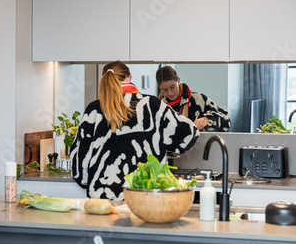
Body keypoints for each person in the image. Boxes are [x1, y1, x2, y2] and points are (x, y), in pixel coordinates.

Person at [70, 61, 199, 200]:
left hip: (104, 201)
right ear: (128, 77)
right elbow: (188, 135)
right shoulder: (152, 105)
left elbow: (79, 167)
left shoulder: (94, 110)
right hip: (146, 198)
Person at [156, 66, 231, 132]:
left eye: (172, 87)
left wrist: (207, 120)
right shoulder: (158, 106)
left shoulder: (198, 100)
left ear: (178, 81)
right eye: (164, 90)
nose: (170, 93)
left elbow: (227, 122)